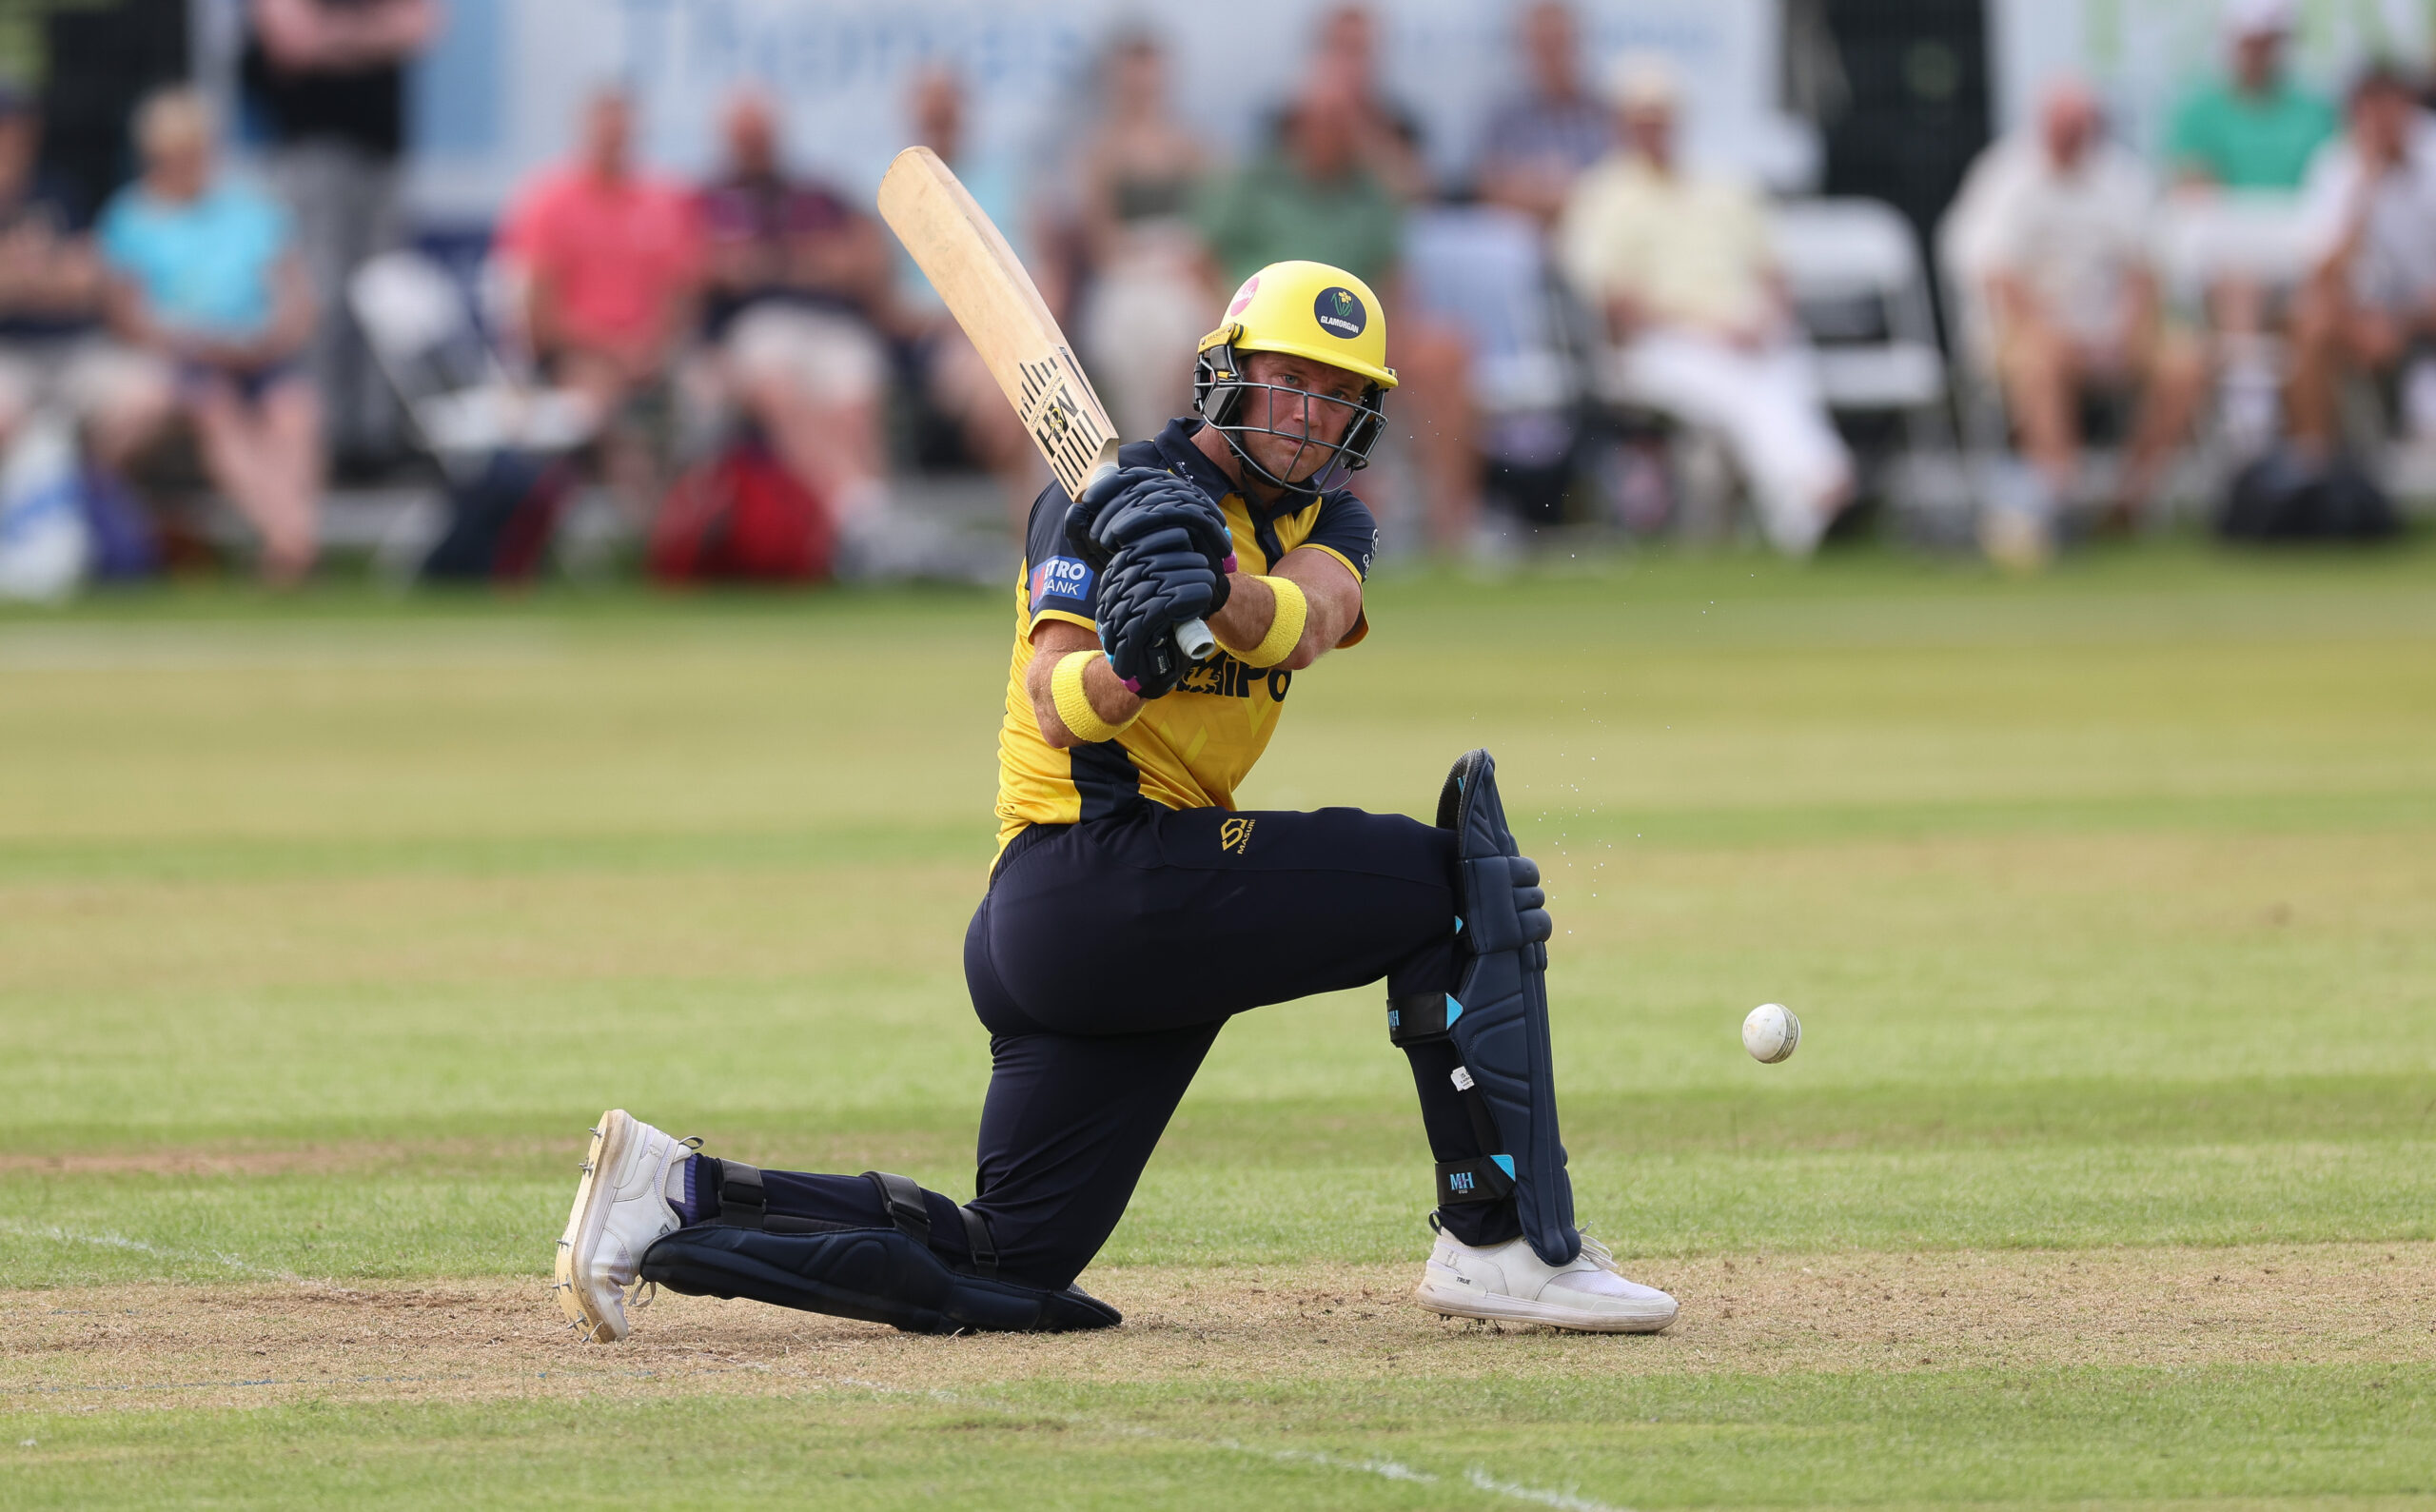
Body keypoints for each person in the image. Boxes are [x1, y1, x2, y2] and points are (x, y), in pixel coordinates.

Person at [552, 259, 1678, 1345]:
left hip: (1112, 922)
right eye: (1292, 380)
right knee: (1445, 880)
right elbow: (1055, 704)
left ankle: (675, 1197)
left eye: (1339, 397)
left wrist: (1217, 592)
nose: (1309, 415)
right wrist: (1133, 667)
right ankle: (1502, 1236)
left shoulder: (1333, 524)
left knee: (1011, 1261)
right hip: (1090, 875)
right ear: (1228, 375)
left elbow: (1314, 619)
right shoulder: (1087, 500)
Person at [1557, 53, 1854, 556]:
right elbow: (1613, 301)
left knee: (1779, 374)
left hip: (1746, 329)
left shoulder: (1723, 185)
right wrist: (1708, 328)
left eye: (1663, 116)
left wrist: (1763, 319)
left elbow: (1773, 272)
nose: (1655, 128)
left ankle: (1809, 507)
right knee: (1744, 387)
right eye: (1643, 118)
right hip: (1656, 344)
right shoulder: (1602, 195)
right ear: (1622, 124)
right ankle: (1818, 494)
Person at [1201, 67, 1479, 552]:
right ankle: (1203, 510)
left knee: (1446, 353)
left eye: (1347, 122)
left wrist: (1393, 340)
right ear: (1299, 124)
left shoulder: (1371, 191)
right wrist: (1229, 325)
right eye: (1324, 120)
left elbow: (1395, 282)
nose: (1335, 133)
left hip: (1350, 338)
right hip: (1266, 335)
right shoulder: (1255, 179)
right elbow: (1199, 261)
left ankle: (1452, 531)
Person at [1949, 77, 2206, 523]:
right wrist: (2054, 332)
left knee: (2187, 363)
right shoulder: (2003, 178)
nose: (2070, 136)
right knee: (2038, 363)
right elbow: (1998, 276)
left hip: (2113, 328)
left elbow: (2146, 267)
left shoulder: (2123, 178)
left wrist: (2127, 328)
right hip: (2029, 328)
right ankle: (2060, 505)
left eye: (2079, 126)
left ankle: (2129, 500)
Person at [99, 88, 321, 583]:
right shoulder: (131, 216)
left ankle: (292, 540)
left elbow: (297, 299)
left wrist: (272, 338)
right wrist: (192, 341)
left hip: (258, 355)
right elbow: (126, 316)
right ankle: (291, 543)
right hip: (186, 360)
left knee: (294, 410)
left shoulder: (252, 209)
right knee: (216, 407)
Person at [241, 0, 441, 473]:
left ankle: (375, 440)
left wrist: (335, 35)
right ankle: (322, 440)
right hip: (313, 147)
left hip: (382, 148)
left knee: (381, 298)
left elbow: (419, 27)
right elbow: (293, 41)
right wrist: (372, 34)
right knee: (321, 293)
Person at [495, 89, 703, 516]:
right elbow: (539, 314)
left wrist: (654, 348)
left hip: (654, 353)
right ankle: (657, 521)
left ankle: (715, 511)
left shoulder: (664, 200)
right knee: (593, 399)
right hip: (577, 353)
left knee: (712, 391)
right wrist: (614, 349)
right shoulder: (548, 201)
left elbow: (682, 293)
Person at [693, 88, 892, 529]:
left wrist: (777, 264)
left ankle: (862, 518)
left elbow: (861, 258)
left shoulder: (817, 194)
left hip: (833, 326)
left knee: (852, 407)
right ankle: (862, 513)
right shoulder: (708, 199)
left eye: (760, 135)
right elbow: (705, 267)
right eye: (744, 137)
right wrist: (799, 263)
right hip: (758, 327)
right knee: (783, 393)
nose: (753, 146)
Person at [0, 87, 169, 518]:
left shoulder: (61, 188)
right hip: (10, 356)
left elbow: (91, 279)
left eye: (17, 125)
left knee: (152, 395)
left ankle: (82, 504)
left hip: (75, 349)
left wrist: (25, 281)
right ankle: (25, 524)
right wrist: (45, 277)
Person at [889, 64, 1041, 531]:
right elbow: (887, 304)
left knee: (1019, 382)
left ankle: (1030, 539)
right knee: (1020, 391)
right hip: (939, 339)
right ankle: (1033, 539)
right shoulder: (896, 191)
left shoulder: (1004, 181)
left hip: (1011, 330)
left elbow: (1038, 267)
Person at [1072, 29, 1214, 445]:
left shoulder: (1191, 145)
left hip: (1181, 270)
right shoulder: (1099, 151)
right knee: (1129, 340)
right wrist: (1146, 255)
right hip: (1128, 276)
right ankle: (1150, 450)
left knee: (1190, 335)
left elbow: (1209, 228)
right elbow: (1100, 240)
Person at [2288, 65, 2436, 450]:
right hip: (2368, 320)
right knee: (2311, 323)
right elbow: (2321, 273)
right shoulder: (2336, 166)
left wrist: (2403, 323)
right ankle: (2314, 463)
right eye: (2374, 110)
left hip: (2421, 316)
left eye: (2394, 108)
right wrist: (2364, 193)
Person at [2165, 0, 2336, 191]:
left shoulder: (2316, 114)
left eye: (2268, 42)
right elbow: (2186, 185)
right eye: (2252, 42)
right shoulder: (2197, 114)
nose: (2259, 53)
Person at [1473, 1, 1611, 223]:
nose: (1551, 55)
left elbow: (1619, 185)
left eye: (1558, 43)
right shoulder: (1503, 115)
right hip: (1520, 234)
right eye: (1542, 45)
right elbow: (1487, 188)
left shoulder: (1603, 112)